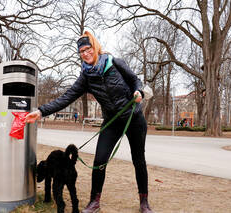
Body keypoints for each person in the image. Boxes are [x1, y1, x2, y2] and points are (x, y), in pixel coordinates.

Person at [25, 31, 154, 213]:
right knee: (100, 159)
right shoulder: (86, 77)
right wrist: (41, 111)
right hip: (112, 122)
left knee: (138, 160)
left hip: (134, 118)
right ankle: (94, 202)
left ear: (95, 47)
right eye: (81, 52)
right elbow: (66, 97)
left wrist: (138, 92)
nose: (85, 53)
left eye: (88, 49)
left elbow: (135, 80)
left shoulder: (114, 62)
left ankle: (144, 202)